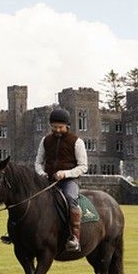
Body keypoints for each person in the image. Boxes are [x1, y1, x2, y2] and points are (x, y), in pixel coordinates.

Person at [34, 107, 88, 252]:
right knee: (29, 197)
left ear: (67, 126)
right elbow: (38, 162)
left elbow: (83, 167)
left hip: (68, 181)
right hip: (47, 180)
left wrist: (66, 173)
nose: (57, 130)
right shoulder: (45, 140)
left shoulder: (77, 142)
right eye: (54, 127)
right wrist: (41, 173)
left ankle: (75, 237)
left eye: (60, 127)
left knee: (71, 198)